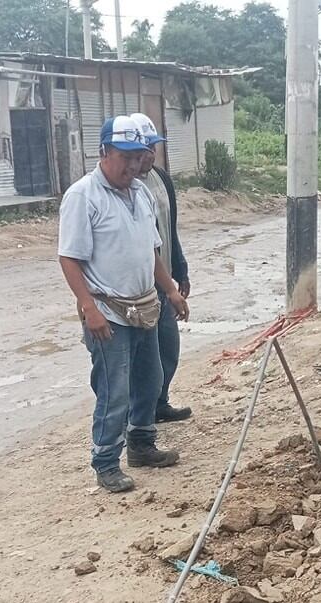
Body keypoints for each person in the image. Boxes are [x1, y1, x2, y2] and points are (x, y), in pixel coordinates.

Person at [58, 116, 189, 493]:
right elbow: (69, 258)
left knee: (150, 378)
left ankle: (142, 445)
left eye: (138, 157)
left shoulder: (141, 192)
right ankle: (105, 461)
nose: (133, 165)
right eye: (125, 157)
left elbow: (152, 250)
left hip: (145, 304)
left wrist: (171, 291)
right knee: (114, 389)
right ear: (104, 152)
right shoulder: (83, 196)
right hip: (108, 311)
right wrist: (88, 307)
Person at [130, 112, 192, 423]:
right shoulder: (127, 189)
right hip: (144, 286)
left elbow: (170, 228)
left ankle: (159, 401)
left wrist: (180, 269)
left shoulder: (161, 178)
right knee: (147, 356)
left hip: (164, 278)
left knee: (168, 348)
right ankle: (141, 412)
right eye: (145, 148)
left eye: (154, 147)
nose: (151, 154)